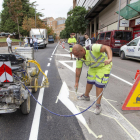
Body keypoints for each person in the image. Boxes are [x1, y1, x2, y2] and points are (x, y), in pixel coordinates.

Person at [72, 43, 112, 115]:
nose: (76, 57)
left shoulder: (92, 47)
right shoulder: (79, 57)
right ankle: (86, 96)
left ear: (82, 50)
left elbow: (107, 47)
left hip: (103, 66)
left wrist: (109, 58)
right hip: (93, 68)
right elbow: (78, 69)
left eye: (77, 55)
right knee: (89, 81)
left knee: (99, 84)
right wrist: (76, 82)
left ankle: (98, 105)